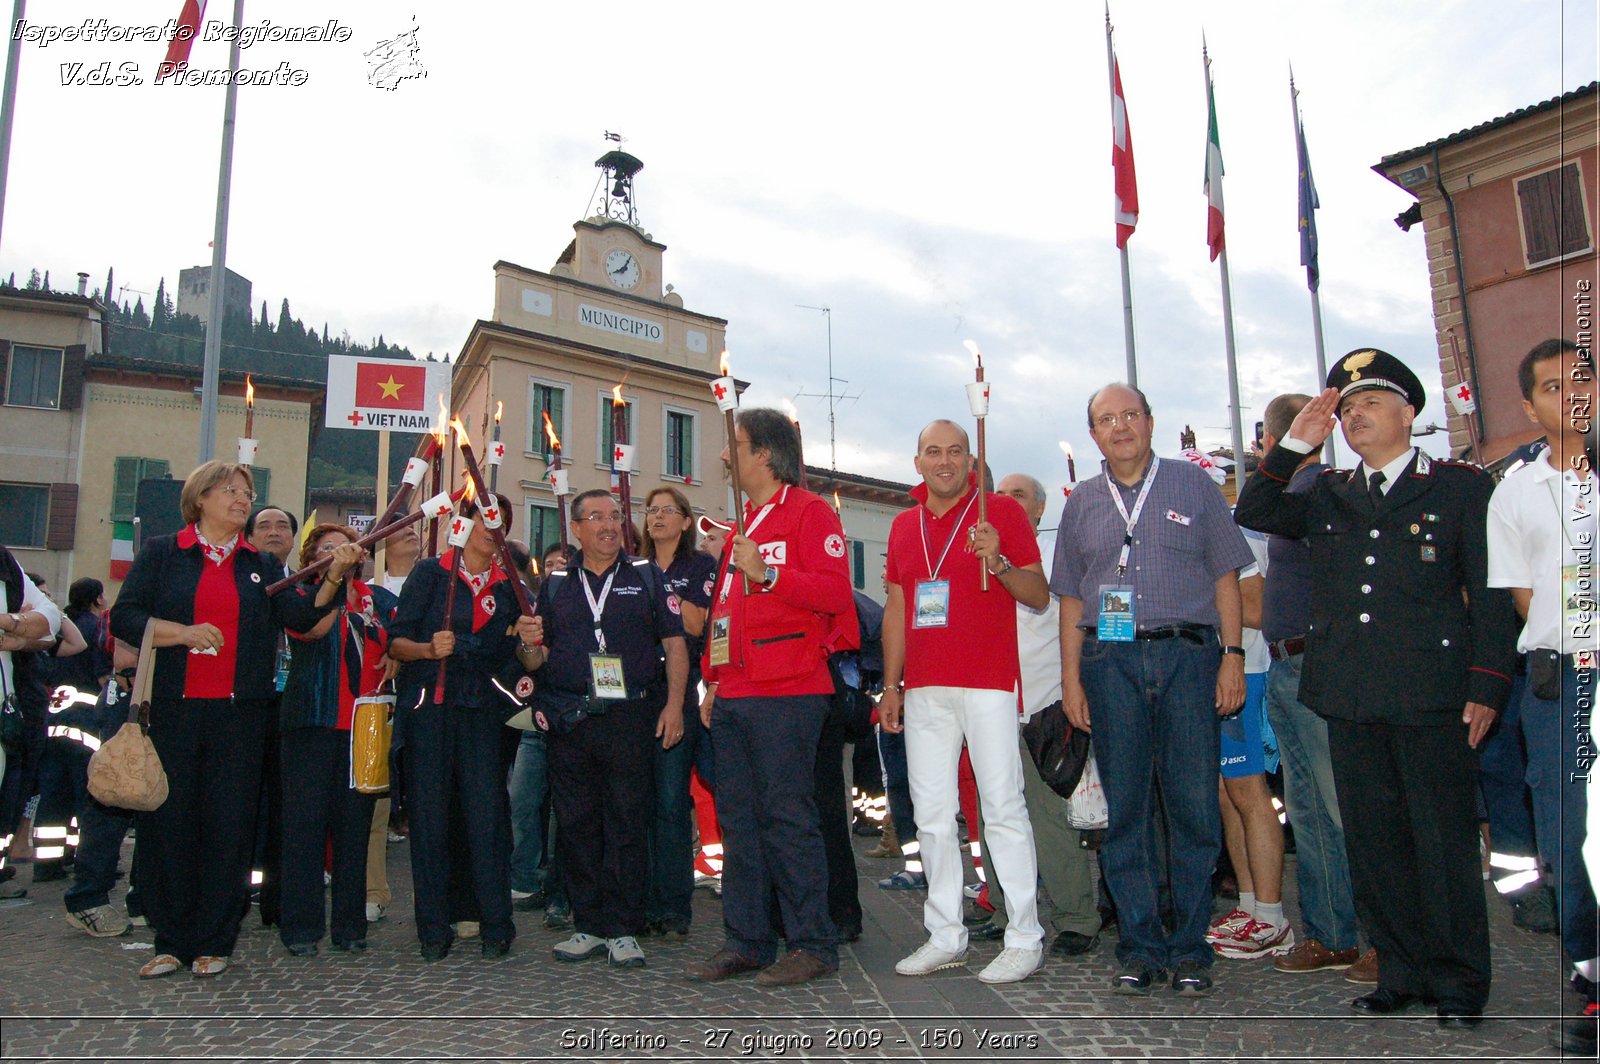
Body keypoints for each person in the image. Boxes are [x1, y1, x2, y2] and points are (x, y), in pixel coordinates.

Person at [1235, 348, 1518, 1028]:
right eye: (1347, 408)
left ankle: (1457, 982)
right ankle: (1400, 969)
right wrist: (1300, 437)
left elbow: (1488, 592)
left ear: (1408, 413)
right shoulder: (1327, 490)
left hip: (1432, 695)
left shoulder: (1458, 489)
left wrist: (1486, 685)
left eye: (1369, 404)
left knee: (1442, 843)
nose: (1356, 416)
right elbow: (1256, 504)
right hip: (1351, 695)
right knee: (1374, 841)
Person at [1054, 384, 1253, 997]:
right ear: (1093, 435)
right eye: (1106, 419)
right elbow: (1070, 598)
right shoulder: (1082, 503)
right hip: (1109, 662)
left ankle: (1191, 946)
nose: (1120, 427)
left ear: (1150, 422)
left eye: (1130, 415)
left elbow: (1227, 577)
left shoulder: (1193, 487)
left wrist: (1233, 657)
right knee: (1127, 813)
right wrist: (1071, 679)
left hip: (1189, 659)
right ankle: (1139, 947)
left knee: (1194, 807)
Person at [109, 461, 333, 979]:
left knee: (228, 828)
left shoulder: (261, 564)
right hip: (173, 710)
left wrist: (335, 577)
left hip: (241, 716)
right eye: (231, 490)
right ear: (201, 498)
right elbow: (125, 615)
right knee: (169, 824)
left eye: (247, 492)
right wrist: (181, 633)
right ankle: (171, 939)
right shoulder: (164, 553)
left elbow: (300, 619)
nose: (242, 499)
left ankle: (215, 938)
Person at [684, 408, 856, 988]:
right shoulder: (741, 524)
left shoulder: (808, 513)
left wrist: (771, 575)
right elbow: (725, 614)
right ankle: (748, 940)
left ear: (765, 454)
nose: (726, 455)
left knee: (789, 818)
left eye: (735, 445)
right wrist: (712, 680)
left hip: (790, 691)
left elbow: (836, 593)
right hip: (736, 692)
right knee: (739, 822)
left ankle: (813, 943)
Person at [878, 420, 1050, 986]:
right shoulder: (903, 525)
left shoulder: (1000, 511)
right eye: (934, 452)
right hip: (926, 686)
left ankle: (1024, 934)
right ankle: (945, 932)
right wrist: (892, 684)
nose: (945, 461)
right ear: (917, 461)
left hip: (988, 683)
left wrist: (998, 562)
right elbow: (900, 610)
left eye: (955, 452)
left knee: (1002, 807)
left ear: (970, 459)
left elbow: (1039, 595)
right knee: (931, 816)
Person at [1485, 338, 1600, 1053]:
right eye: (1553, 387)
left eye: (1582, 380)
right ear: (1531, 407)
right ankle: (1592, 981)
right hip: (1559, 684)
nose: (1572, 395)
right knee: (1566, 844)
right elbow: (1524, 597)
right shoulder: (1513, 492)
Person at [530, 488, 688, 969]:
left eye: (615, 516)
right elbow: (536, 659)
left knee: (626, 820)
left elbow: (675, 645)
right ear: (575, 529)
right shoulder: (556, 583)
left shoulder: (646, 576)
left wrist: (676, 705)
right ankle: (588, 924)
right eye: (595, 517)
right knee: (576, 823)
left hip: (630, 716)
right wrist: (527, 643)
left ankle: (623, 927)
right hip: (572, 719)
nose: (607, 525)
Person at [388, 491, 541, 962]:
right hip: (430, 710)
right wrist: (428, 650)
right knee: (431, 818)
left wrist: (533, 644)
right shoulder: (432, 575)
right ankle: (433, 927)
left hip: (484, 714)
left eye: (499, 524)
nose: (490, 531)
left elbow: (530, 662)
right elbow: (396, 643)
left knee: (487, 818)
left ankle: (497, 922)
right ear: (465, 523)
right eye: (483, 520)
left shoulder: (512, 587)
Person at [1245, 393, 1366, 978]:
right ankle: (1331, 932)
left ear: (1271, 442)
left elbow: (1251, 507)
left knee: (1343, 806)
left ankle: (1376, 937)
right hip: (1286, 663)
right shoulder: (1305, 490)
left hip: (1318, 662)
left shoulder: (1318, 488)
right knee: (1308, 808)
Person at [978, 472, 1104, 959]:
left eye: (1018, 496)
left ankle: (1076, 917)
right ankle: (1006, 910)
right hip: (989, 707)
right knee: (996, 816)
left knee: (1050, 819)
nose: (1006, 503)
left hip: (1043, 708)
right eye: (1000, 496)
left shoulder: (1056, 560)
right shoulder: (977, 557)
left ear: (1038, 510)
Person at [276, 525, 391, 957]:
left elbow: (398, 636)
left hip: (364, 728)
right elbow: (312, 630)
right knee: (304, 828)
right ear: (311, 558)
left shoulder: (376, 598)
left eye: (345, 546)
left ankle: (350, 925)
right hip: (312, 722)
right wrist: (332, 580)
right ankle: (302, 928)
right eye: (326, 548)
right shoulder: (299, 595)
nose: (338, 552)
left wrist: (396, 652)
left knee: (354, 829)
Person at [639, 486, 718, 939]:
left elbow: (693, 622)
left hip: (681, 686)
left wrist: (655, 591)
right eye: (651, 511)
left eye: (668, 510)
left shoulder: (700, 565)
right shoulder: (634, 565)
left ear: (686, 521)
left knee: (671, 801)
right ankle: (642, 899)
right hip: (638, 689)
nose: (658, 518)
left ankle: (673, 907)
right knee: (639, 801)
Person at [243, 505, 299, 929]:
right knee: (239, 806)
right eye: (264, 525)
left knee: (285, 807)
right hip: (244, 703)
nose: (274, 531)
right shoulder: (241, 579)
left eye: (283, 525)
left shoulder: (303, 584)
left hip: (291, 707)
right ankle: (233, 895)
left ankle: (278, 902)